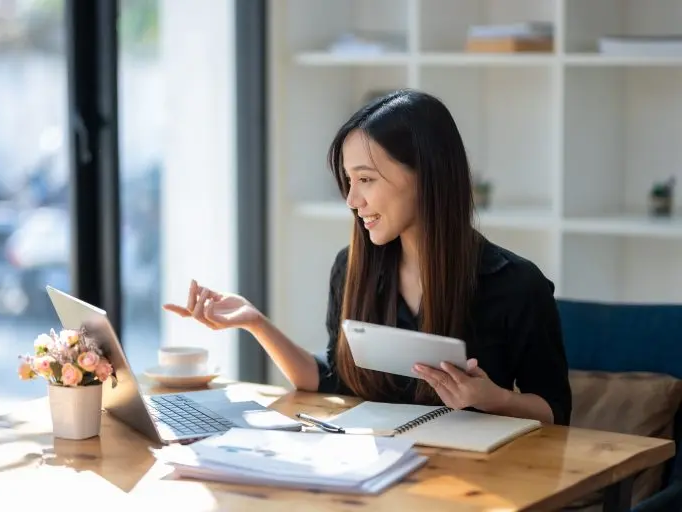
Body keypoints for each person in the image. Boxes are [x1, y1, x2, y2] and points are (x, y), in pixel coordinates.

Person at [163, 89, 572, 426]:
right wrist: (255, 322)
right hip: (376, 473)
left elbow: (556, 412)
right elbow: (332, 381)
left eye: (366, 179)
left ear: (426, 176)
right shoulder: (353, 268)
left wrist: (496, 399)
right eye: (348, 180)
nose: (353, 199)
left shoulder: (517, 284)